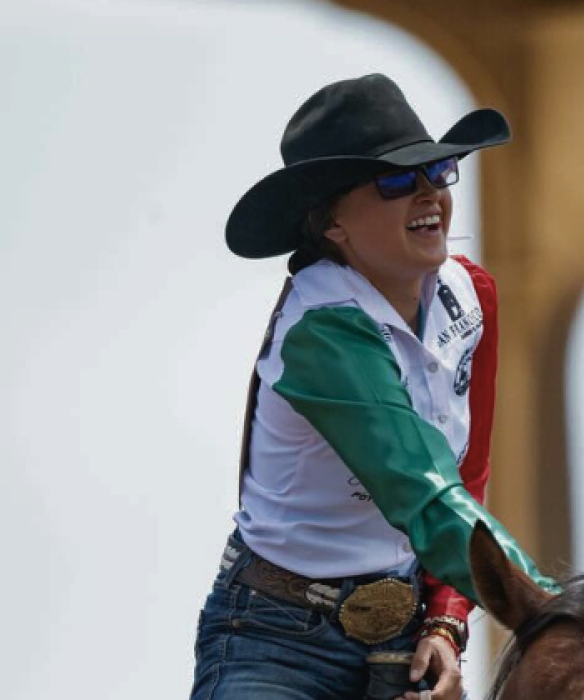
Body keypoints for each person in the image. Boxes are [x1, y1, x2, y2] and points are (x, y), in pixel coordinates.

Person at [192, 73, 558, 700]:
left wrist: (446, 620)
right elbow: (423, 491)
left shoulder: (473, 295)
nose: (427, 193)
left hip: (405, 636)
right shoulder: (323, 330)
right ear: (332, 222)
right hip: (275, 642)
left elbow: (465, 472)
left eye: (438, 171)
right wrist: (553, 610)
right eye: (395, 181)